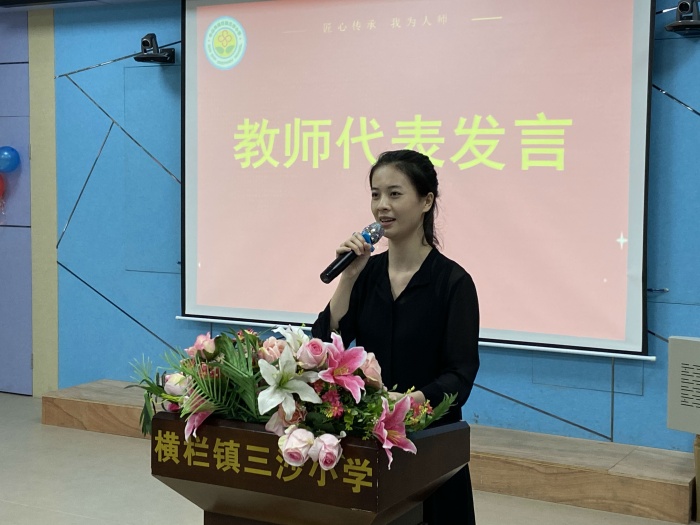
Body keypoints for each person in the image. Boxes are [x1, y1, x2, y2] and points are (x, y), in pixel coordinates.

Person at [311, 149, 480, 524]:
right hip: (369, 442)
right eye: (375, 194)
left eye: (394, 193)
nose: (381, 206)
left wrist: (405, 405)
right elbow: (324, 345)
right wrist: (348, 278)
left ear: (426, 201)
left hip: (431, 447)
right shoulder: (366, 274)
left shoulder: (453, 283)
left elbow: (460, 376)